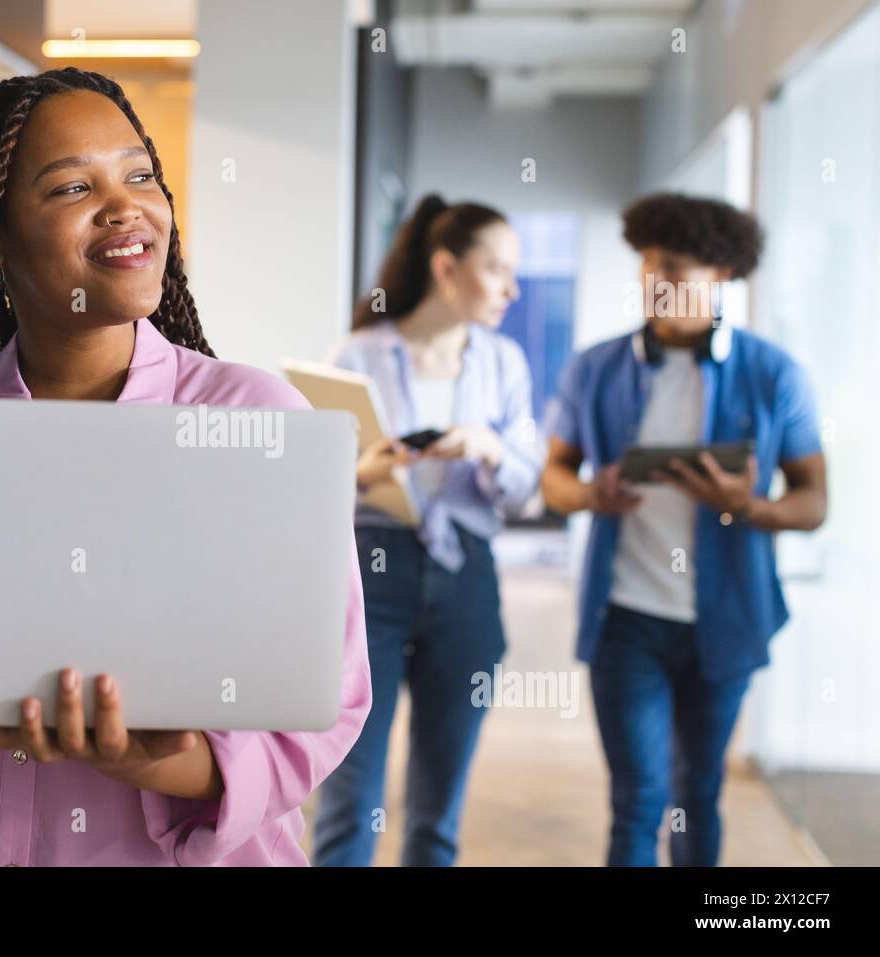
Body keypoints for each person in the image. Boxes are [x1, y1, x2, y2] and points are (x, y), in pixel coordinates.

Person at [0, 68, 372, 866]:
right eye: (72, 186)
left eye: (140, 173)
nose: (127, 205)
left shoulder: (253, 421)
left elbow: (321, 706)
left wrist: (150, 759)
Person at [541, 192, 828, 867]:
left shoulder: (773, 373)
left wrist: (746, 503)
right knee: (638, 795)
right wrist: (589, 494)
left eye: (674, 267)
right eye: (646, 265)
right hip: (627, 619)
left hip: (724, 620)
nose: (654, 281)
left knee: (696, 793)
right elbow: (554, 475)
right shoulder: (596, 367)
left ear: (722, 273)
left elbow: (814, 500)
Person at [313, 195, 542, 866]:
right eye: (496, 269)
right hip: (370, 571)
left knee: (438, 809)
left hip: (467, 575)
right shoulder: (357, 354)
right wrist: (362, 471)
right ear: (447, 268)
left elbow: (528, 489)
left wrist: (491, 448)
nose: (511, 287)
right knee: (351, 800)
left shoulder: (505, 364)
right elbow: (312, 481)